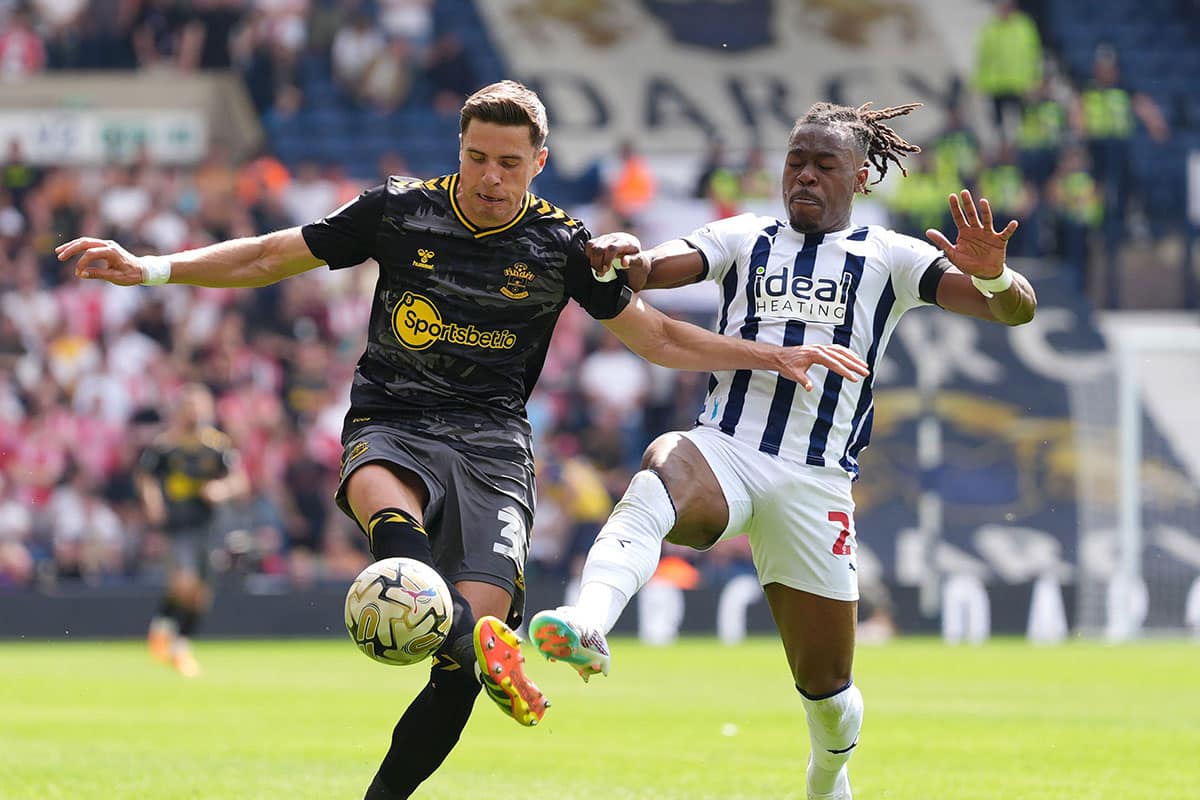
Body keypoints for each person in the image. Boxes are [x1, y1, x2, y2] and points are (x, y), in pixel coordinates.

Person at [56, 80, 870, 800]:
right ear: (460, 150)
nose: (488, 177)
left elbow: (657, 337)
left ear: (538, 162)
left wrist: (769, 352)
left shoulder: (562, 247)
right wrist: (153, 267)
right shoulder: (400, 209)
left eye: (508, 164)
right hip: (394, 422)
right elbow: (276, 255)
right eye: (477, 157)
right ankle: (431, 592)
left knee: (463, 670)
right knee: (392, 510)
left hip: (493, 448)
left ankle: (426, 721)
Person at [529, 100, 1038, 800]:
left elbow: (1014, 309)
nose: (803, 175)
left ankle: (828, 777)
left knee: (827, 692)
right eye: (795, 160)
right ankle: (589, 621)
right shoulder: (745, 236)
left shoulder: (889, 256)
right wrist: (626, 252)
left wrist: (991, 275)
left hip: (817, 483)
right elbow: (655, 266)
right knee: (661, 467)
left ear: (859, 178)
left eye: (823, 164)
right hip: (728, 451)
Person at [137, 383, 249, 677]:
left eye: (198, 406)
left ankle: (177, 642)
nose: (194, 412)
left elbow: (239, 480)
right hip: (178, 524)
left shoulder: (218, 445)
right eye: (189, 406)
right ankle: (165, 632)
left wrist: (220, 489)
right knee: (184, 583)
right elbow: (146, 476)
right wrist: (153, 502)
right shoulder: (166, 445)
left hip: (209, 524)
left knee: (201, 595)